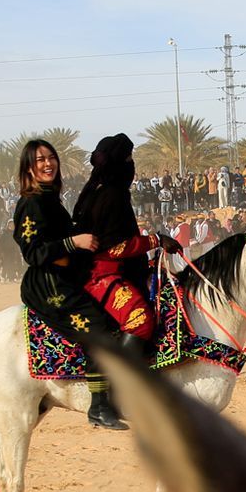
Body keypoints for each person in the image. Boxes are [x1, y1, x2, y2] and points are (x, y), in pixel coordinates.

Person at [13, 140, 125, 429]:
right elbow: (33, 252)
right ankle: (99, 407)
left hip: (65, 278)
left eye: (51, 158)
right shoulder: (32, 202)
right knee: (98, 329)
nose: (48, 164)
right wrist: (73, 242)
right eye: (40, 160)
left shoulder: (51, 199)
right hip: (48, 285)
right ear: (29, 167)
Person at [70, 134, 170, 347]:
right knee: (140, 320)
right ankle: (124, 379)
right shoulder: (112, 195)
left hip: (114, 268)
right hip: (101, 272)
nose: (131, 164)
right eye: (128, 159)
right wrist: (157, 240)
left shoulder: (103, 190)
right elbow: (116, 247)